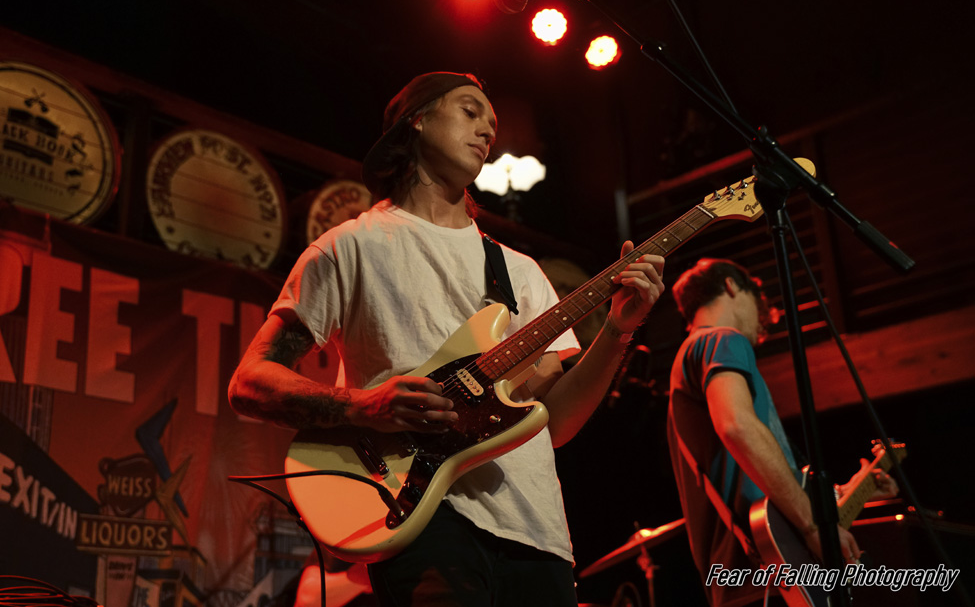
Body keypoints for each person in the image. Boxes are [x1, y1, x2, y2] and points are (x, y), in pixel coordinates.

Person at [228, 71, 666, 606]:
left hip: (538, 534)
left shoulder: (519, 271)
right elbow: (250, 381)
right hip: (420, 519)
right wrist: (365, 405)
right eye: (469, 110)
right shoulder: (349, 248)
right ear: (416, 119)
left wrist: (619, 331)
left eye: (492, 122)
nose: (487, 130)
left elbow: (556, 423)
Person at [665, 258, 898, 607]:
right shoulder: (720, 340)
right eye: (756, 301)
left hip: (745, 580)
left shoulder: (690, 358)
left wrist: (854, 493)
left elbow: (758, 481)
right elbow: (737, 425)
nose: (761, 318)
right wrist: (813, 528)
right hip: (771, 578)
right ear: (731, 286)